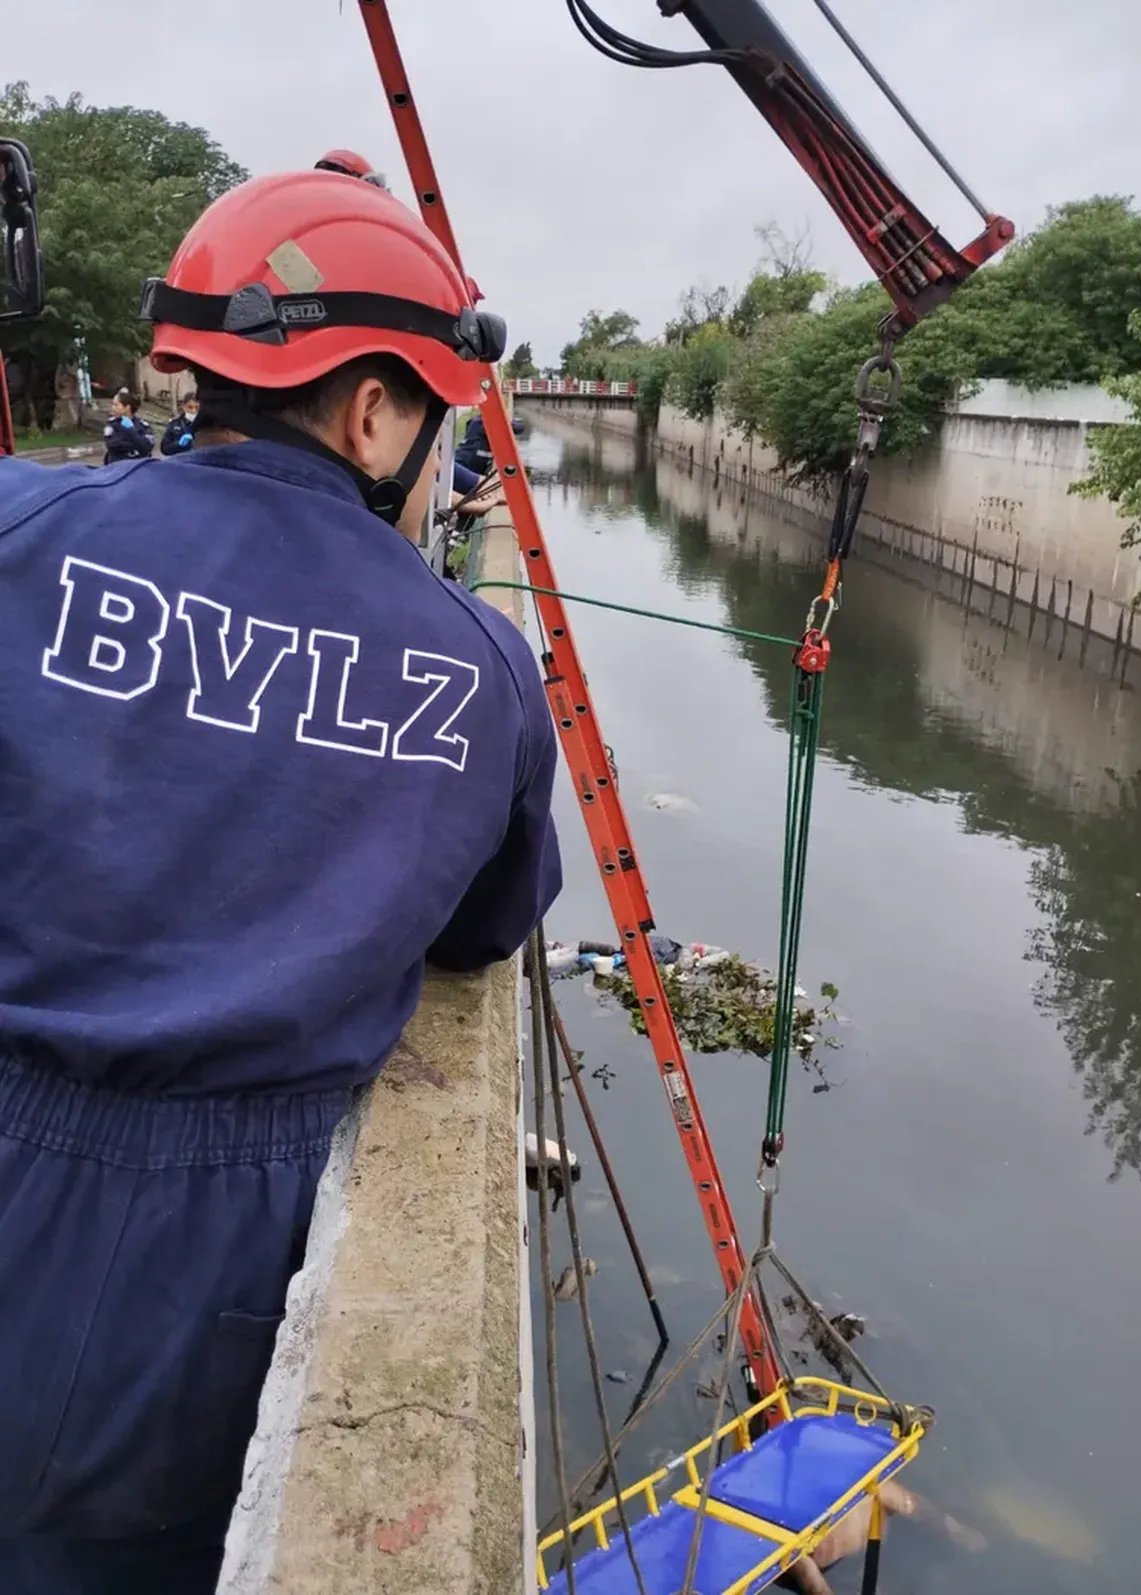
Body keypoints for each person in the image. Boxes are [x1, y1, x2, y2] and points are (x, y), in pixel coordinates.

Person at [0, 168, 561, 1594]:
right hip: (226, 1247)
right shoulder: (482, 668)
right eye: (434, 424)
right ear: (375, 409)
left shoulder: (26, 535)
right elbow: (486, 931)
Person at [101, 387, 154, 464]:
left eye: (116, 405)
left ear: (127, 407)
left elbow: (145, 448)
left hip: (138, 467)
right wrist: (135, 443)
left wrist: (131, 430)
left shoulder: (143, 426)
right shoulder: (112, 424)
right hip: (118, 467)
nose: (113, 408)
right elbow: (112, 446)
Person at [160, 390, 200, 456]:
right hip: (180, 462)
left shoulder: (205, 425)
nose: (194, 411)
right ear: (184, 407)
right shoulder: (175, 424)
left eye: (196, 407)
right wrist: (178, 444)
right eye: (190, 407)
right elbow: (165, 449)